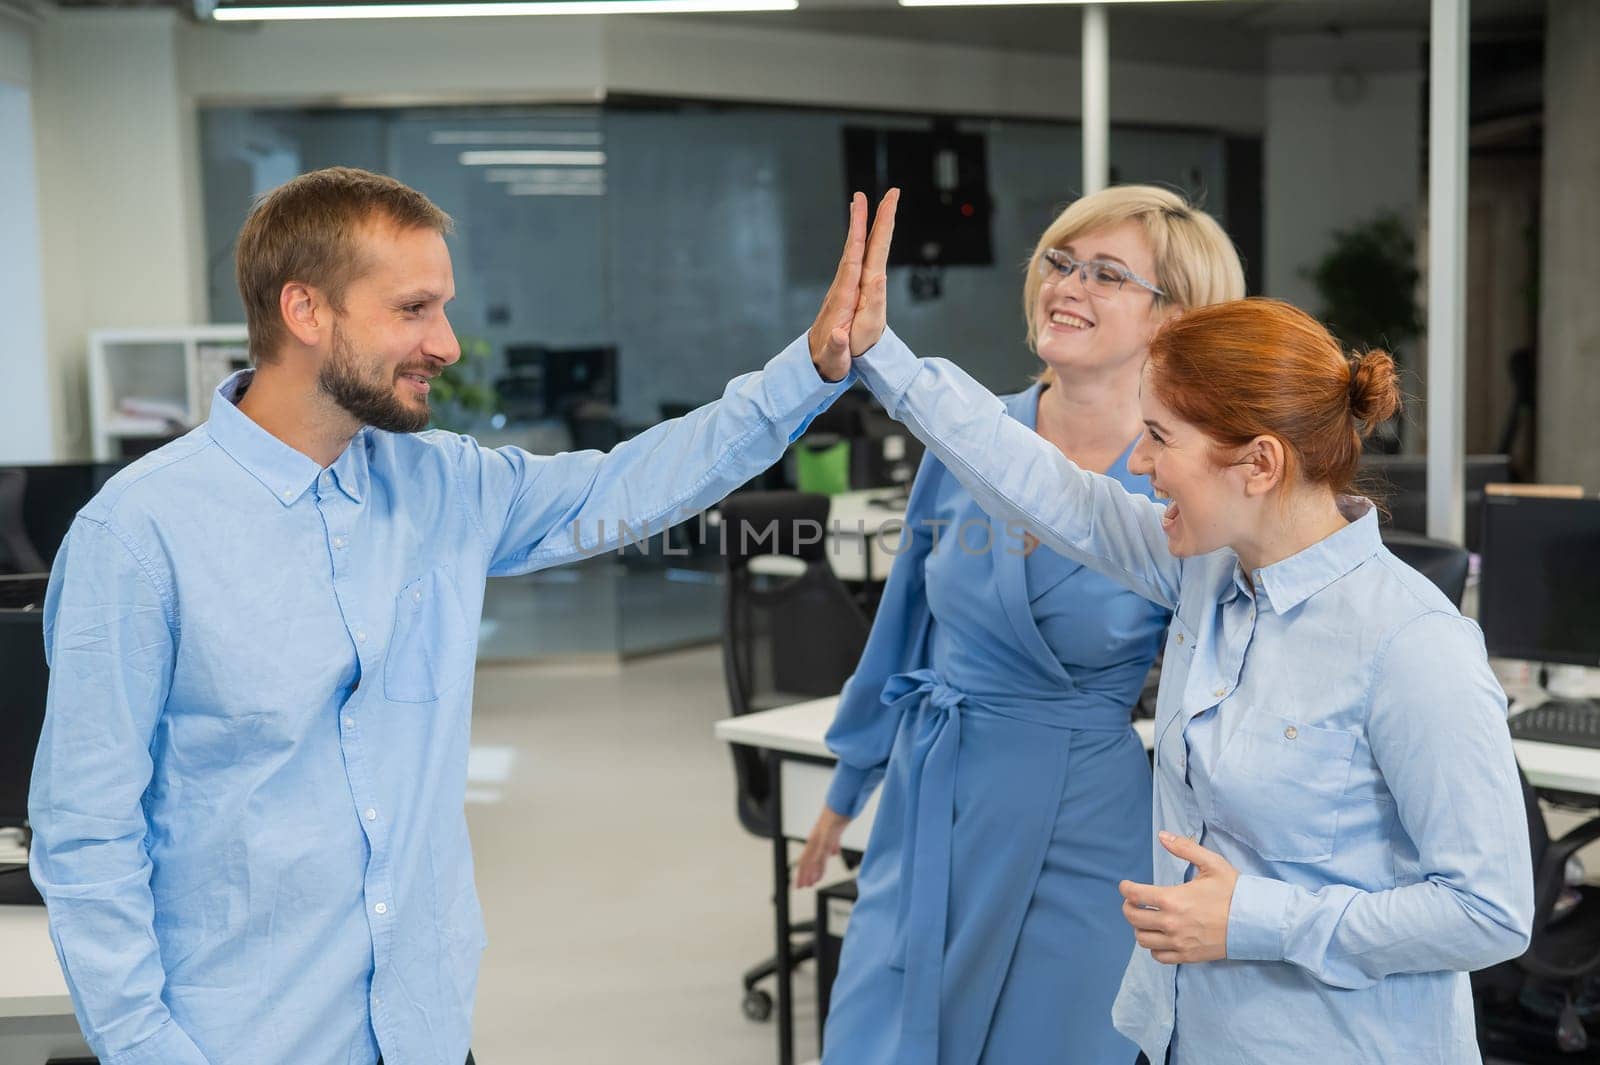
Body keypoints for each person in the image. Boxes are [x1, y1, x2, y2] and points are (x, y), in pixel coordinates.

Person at [27, 167, 881, 1065]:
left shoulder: (443, 483)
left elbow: (628, 484)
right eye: (413, 309)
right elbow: (88, 833)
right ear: (306, 312)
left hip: (421, 1032)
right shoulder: (138, 534)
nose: (447, 344)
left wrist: (813, 370)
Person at [841, 221, 1534, 1061]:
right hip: (1192, 1034)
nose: (1137, 463)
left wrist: (1255, 917)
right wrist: (883, 355)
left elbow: (1490, 910)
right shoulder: (1204, 576)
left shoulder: (1413, 645)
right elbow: (1047, 489)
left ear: (1259, 464)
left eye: (1161, 437)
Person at [795, 186, 1244, 1065]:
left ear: (1174, 318)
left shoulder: (1182, 483)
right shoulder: (966, 435)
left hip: (1087, 824)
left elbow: (1225, 680)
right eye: (1059, 262)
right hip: (936, 796)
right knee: (879, 1039)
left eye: (1106, 274)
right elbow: (905, 627)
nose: (1067, 284)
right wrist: (849, 782)